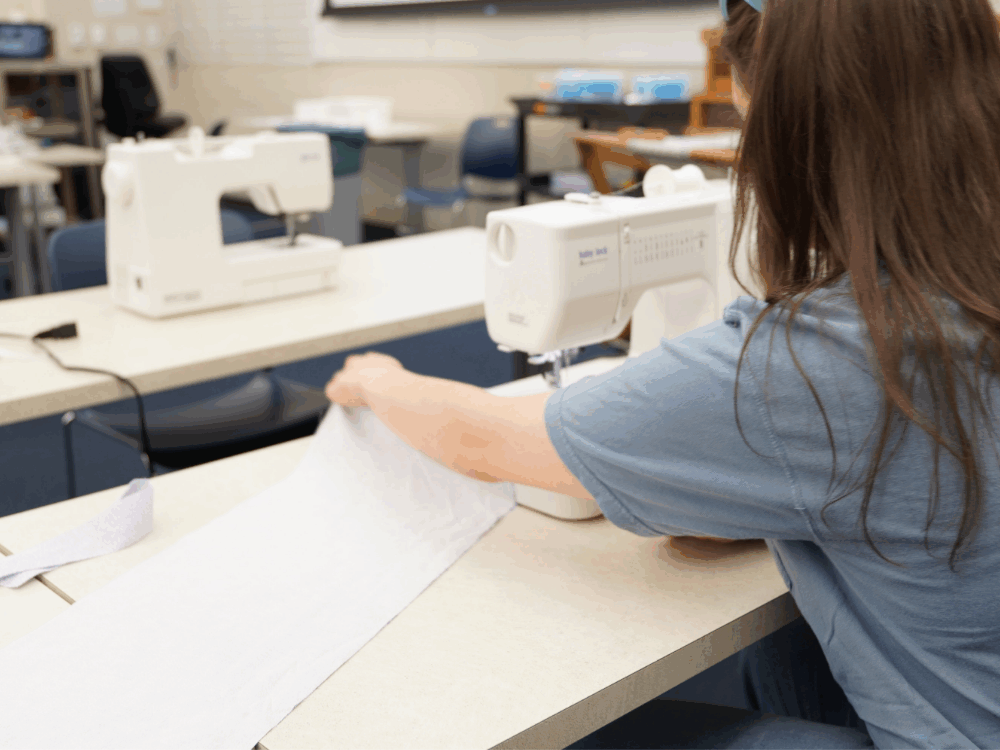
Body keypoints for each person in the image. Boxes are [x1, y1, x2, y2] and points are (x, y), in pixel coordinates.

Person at [326, 0, 1000, 746]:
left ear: (800, 143)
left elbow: (485, 442)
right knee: (781, 655)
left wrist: (377, 381)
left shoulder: (821, 360)